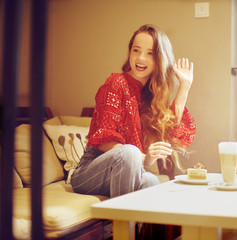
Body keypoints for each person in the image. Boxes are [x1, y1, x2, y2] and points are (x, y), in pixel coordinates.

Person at [71, 24, 196, 200]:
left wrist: (184, 86)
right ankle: (122, 224)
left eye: (149, 53)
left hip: (128, 167)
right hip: (89, 172)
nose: (140, 58)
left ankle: (134, 227)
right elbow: (104, 142)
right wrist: (144, 158)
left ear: (160, 59)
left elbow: (174, 134)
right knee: (131, 152)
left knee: (152, 182)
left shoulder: (152, 96)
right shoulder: (115, 83)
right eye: (136, 50)